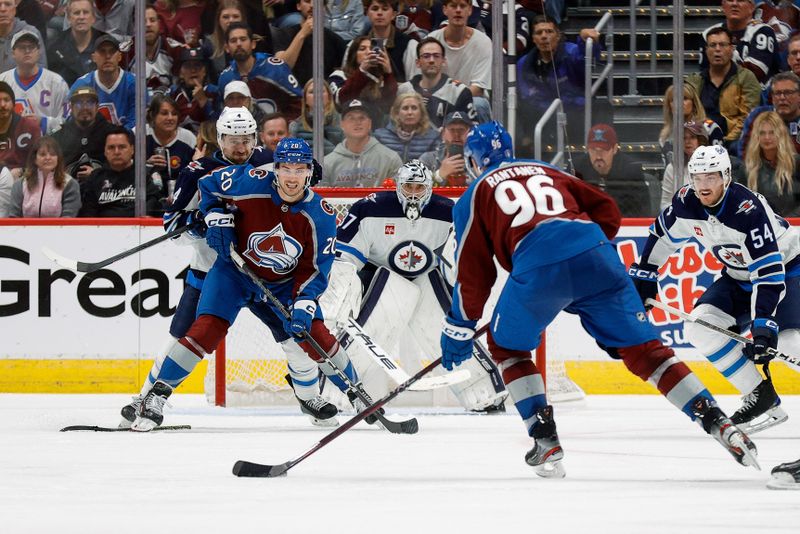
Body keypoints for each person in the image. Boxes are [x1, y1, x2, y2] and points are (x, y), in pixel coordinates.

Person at [439, 121, 759, 477]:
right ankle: (719, 422)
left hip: (538, 267)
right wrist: (587, 259)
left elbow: (474, 274)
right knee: (648, 353)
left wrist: (460, 325)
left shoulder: (475, 192)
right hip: (597, 253)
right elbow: (607, 209)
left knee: (507, 349)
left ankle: (545, 439)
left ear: (472, 161)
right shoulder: (549, 169)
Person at [129, 136, 366, 431]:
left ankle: (354, 394)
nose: (292, 177)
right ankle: (156, 396)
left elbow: (315, 269)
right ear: (275, 169)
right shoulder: (248, 182)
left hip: (283, 283)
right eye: (286, 169)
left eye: (299, 169)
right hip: (234, 274)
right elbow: (208, 186)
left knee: (311, 334)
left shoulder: (322, 214)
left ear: (310, 172)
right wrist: (215, 215)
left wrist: (305, 302)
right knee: (206, 329)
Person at [118, 106, 273, 428]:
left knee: (293, 334)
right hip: (210, 272)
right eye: (232, 140)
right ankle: (144, 398)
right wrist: (202, 221)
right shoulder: (197, 171)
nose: (240, 147)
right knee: (181, 336)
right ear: (219, 139)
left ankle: (316, 396)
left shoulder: (269, 164)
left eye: (246, 139)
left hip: (263, 273)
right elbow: (172, 224)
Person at [630, 144, 800, 436]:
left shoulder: (747, 210)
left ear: (726, 177)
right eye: (697, 177)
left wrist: (762, 323)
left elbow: (768, 273)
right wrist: (647, 271)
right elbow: (662, 233)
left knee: (787, 343)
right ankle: (760, 397)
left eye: (711, 177)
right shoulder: (687, 203)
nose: (703, 185)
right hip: (738, 277)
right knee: (701, 327)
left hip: (788, 272)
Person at [320, 159, 508, 412]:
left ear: (430, 187)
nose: (413, 193)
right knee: (374, 321)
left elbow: (460, 260)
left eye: (419, 188)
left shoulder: (449, 212)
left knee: (444, 326)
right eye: (408, 186)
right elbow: (344, 260)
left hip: (428, 277)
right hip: (380, 279)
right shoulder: (368, 209)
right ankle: (337, 391)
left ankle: (483, 390)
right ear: (398, 185)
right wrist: (339, 298)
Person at [516, 15, 602, 146]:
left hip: (576, 113)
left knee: (603, 107)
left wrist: (585, 41)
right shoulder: (524, 63)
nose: (544, 36)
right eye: (539, 33)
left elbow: (586, 58)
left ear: (558, 35)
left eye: (549, 31)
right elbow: (528, 97)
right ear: (533, 39)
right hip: (545, 117)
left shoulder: (571, 51)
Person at [687, 27, 761, 148]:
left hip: (733, 142)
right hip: (700, 142)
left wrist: (723, 142)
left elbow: (748, 118)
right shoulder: (695, 80)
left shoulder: (746, 78)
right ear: (706, 50)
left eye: (722, 45)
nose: (717, 50)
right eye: (712, 45)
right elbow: (687, 116)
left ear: (731, 49)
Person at [217, 22, 302, 121]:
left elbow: (299, 102)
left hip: (278, 133)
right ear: (227, 48)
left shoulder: (275, 69)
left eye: (243, 39)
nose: (239, 44)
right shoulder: (225, 78)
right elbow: (223, 113)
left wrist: (286, 127)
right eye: (233, 40)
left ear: (253, 44)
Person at [427, 0, 493, 123]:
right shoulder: (431, 40)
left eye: (462, 6)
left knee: (479, 104)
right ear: (444, 10)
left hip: (471, 100)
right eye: (453, 5)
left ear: (470, 10)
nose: (458, 10)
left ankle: (483, 141)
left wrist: (452, 102)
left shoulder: (484, 42)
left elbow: (478, 88)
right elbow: (425, 82)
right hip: (438, 100)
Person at [572, 123, 653, 217]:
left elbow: (642, 212)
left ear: (614, 149)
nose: (598, 156)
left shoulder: (631, 171)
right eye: (594, 150)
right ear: (587, 149)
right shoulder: (576, 168)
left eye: (603, 150)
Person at [78, 126, 161, 217]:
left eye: (122, 147)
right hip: (102, 229)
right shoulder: (95, 177)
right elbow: (88, 214)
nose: (116, 152)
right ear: (105, 151)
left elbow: (152, 209)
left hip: (137, 228)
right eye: (111, 147)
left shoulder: (145, 174)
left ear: (132, 149)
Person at [396, 36, 476, 128]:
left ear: (443, 61)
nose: (431, 60)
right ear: (418, 63)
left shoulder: (459, 92)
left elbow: (471, 130)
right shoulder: (404, 90)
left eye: (436, 56)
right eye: (426, 56)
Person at [0, 30, 69, 134]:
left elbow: (68, 121)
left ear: (39, 51)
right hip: (9, 146)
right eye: (22, 47)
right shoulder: (3, 81)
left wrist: (43, 122)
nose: (27, 50)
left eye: (31, 47)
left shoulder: (57, 82)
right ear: (13, 53)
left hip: (46, 145)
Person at [322, 99, 403, 187]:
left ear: (370, 124)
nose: (357, 122)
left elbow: (398, 196)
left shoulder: (391, 159)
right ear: (342, 125)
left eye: (362, 118)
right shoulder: (327, 164)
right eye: (351, 118)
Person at [701, 0, 780, 84]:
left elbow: (753, 74)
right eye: (730, 0)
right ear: (723, 6)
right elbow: (705, 74)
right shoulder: (709, 34)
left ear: (752, 7)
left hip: (757, 94)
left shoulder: (763, 31)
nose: (734, 4)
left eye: (740, 0)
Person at [272, 0, 348, 86]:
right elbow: (281, 69)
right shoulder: (284, 34)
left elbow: (344, 74)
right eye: (307, 1)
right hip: (292, 93)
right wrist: (302, 34)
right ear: (298, 6)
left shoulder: (335, 40)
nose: (312, 5)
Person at [70, 34, 136, 130]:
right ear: (93, 57)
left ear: (119, 57)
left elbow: (137, 123)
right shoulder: (81, 85)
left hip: (126, 142)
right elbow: (72, 121)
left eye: (112, 52)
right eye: (102, 52)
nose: (108, 56)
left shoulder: (134, 83)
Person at [330, 34, 397, 127]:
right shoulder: (339, 75)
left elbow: (388, 106)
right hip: (345, 129)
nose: (368, 52)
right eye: (362, 49)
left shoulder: (381, 79)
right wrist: (361, 71)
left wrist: (388, 73)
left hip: (377, 130)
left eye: (372, 49)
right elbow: (342, 100)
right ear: (353, 54)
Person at [741, 110, 800, 215]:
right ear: (756, 137)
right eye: (762, 133)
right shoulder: (747, 168)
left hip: (793, 226)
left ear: (780, 135)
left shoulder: (796, 164)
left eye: (772, 132)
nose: (767, 138)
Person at [51, 85, 115, 180]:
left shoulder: (113, 134)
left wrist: (97, 173)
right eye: (79, 103)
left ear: (97, 106)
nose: (84, 108)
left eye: (90, 103)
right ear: (71, 107)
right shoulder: (58, 137)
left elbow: (123, 164)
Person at [8, 136, 81, 217]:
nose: (48, 158)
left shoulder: (70, 184)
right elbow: (14, 218)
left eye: (53, 154)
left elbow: (68, 219)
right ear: (35, 159)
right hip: (25, 229)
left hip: (58, 229)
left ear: (58, 158)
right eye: (42, 154)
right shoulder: (20, 184)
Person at [739, 71, 800, 157]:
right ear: (772, 97)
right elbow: (744, 152)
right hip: (763, 168)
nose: (782, 98)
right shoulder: (758, 116)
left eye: (788, 92)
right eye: (777, 93)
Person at [47, 0, 107, 86]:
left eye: (85, 12)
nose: (81, 17)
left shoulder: (106, 45)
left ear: (93, 18)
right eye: (76, 13)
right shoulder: (55, 48)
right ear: (69, 18)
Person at [360, 0, 418, 82]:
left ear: (393, 15)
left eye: (385, 9)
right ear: (367, 14)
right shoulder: (357, 45)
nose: (379, 13)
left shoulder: (410, 45)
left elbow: (414, 85)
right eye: (375, 9)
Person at [373, 92, 439, 162]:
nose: (410, 112)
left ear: (421, 113)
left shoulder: (433, 137)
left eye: (414, 108)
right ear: (397, 113)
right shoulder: (380, 136)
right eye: (405, 108)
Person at [660, 121, 711, 209]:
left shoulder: (714, 166)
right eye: (684, 138)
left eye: (692, 137)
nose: (687, 141)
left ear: (701, 140)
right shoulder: (672, 168)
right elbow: (664, 205)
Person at [288, 79, 343, 156]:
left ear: (329, 96)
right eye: (312, 92)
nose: (317, 95)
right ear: (305, 100)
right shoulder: (295, 126)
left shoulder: (344, 120)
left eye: (321, 91)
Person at [169, 47, 218, 134]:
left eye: (197, 66)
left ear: (204, 71)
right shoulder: (173, 93)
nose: (193, 70)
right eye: (188, 66)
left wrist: (204, 101)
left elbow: (219, 125)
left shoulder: (214, 92)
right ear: (180, 73)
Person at [419, 110, 471, 186]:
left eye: (461, 130)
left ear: (469, 133)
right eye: (452, 130)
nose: (457, 135)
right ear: (443, 133)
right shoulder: (428, 159)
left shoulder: (478, 161)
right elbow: (415, 190)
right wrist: (439, 175)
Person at [0, 80, 41, 178]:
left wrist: (22, 171)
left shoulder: (30, 128)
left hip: (24, 181)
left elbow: (40, 162)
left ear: (13, 104)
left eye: (6, 100)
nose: (2, 105)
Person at [0, 0, 46, 73]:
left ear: (15, 8)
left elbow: (41, 72)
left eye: (8, 4)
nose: (3, 9)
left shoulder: (31, 33)